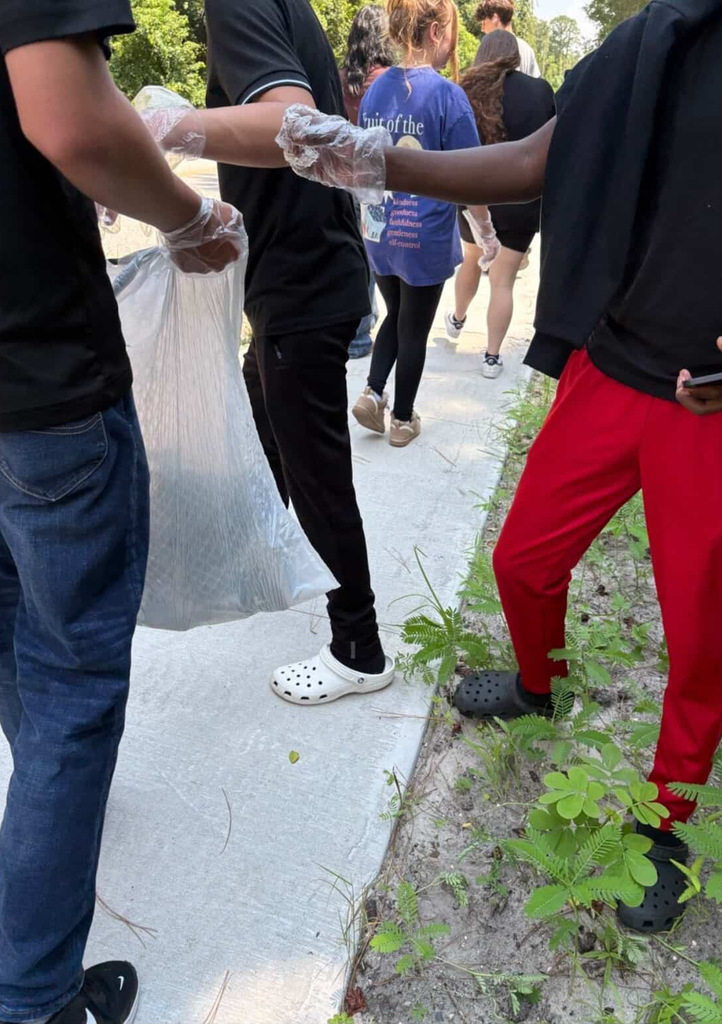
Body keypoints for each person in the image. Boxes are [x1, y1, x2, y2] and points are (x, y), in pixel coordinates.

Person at [276, 0, 722, 933]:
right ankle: (537, 683)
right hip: (613, 362)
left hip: (714, 411)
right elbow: (537, 160)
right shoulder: (664, 34)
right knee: (521, 561)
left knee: (700, 641)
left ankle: (665, 823)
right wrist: (374, 159)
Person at [0, 3, 242, 1024]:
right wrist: (187, 217)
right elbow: (71, 121)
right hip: (32, 372)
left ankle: (59, 804)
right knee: (75, 682)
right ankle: (29, 1004)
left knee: (4, 623)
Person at [146, 0, 395, 703]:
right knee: (263, 435)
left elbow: (290, 123)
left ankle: (359, 647)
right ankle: (254, 563)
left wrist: (156, 130)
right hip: (301, 275)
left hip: (302, 283)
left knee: (317, 473)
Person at [350, 0, 497, 448]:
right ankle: (403, 419)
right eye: (451, 30)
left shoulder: (375, 90)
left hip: (378, 228)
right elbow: (470, 177)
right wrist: (486, 233)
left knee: (398, 313)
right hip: (422, 233)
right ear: (436, 32)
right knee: (415, 325)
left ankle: (373, 392)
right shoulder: (448, 96)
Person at [445, 31, 554, 378]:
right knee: (503, 281)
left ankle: (458, 320)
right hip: (522, 199)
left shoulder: (464, 88)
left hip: (476, 196)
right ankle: (491, 357)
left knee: (471, 261)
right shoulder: (540, 91)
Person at [340, 5, 395, 359]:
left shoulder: (341, 74)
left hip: (342, 173)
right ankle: (363, 332)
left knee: (353, 252)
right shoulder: (390, 78)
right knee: (373, 252)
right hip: (377, 178)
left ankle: (355, 328)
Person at [476, 0, 540, 77]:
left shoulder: (491, 47)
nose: (482, 28)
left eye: (484, 22)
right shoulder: (527, 49)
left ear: (495, 18)